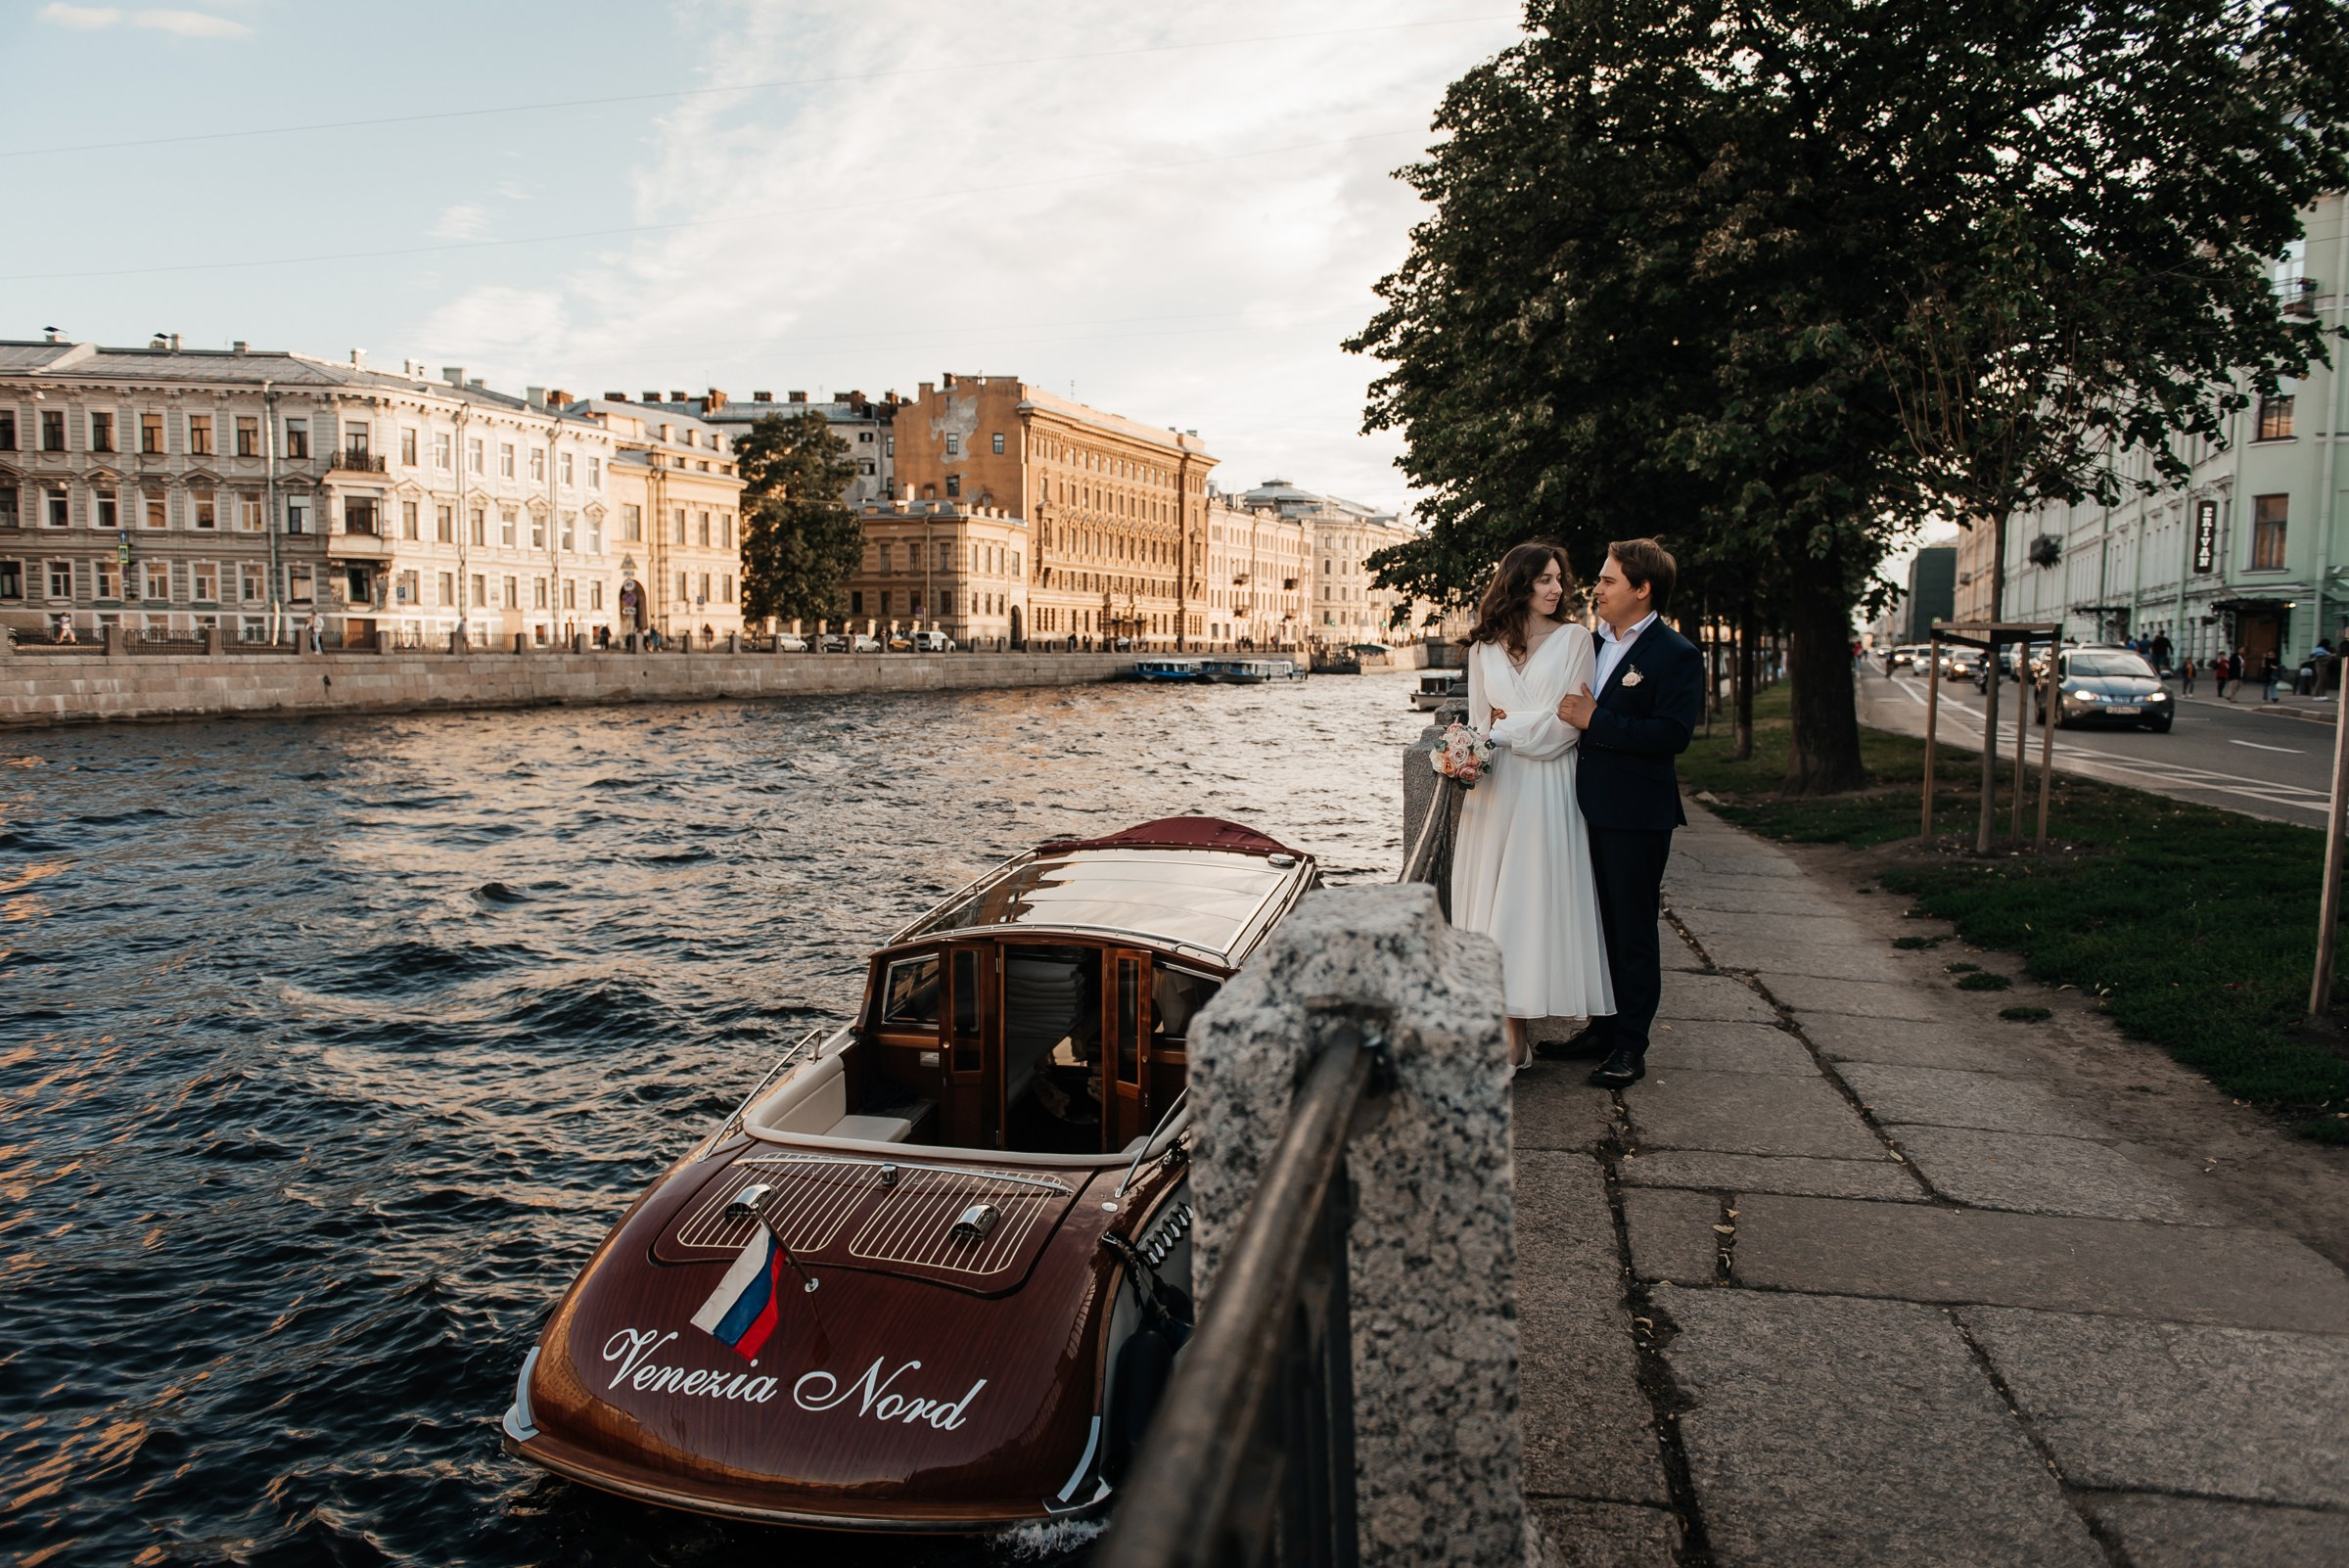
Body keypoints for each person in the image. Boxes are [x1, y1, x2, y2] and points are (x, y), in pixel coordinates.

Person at [1540, 538, 1705, 1089]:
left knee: (1632, 930)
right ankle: (1602, 1027)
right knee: (1595, 923)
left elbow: (1673, 735)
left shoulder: (1675, 653)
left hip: (1636, 814)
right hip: (1580, 806)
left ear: (1642, 588)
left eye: (1609, 581)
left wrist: (1597, 720)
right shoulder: (1588, 643)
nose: (1597, 589)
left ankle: (1631, 1045)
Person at [1450, 542, 1613, 1070]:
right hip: (1497, 789)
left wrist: (1506, 728)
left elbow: (1566, 728)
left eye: (1559, 579)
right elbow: (1479, 726)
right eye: (1545, 579)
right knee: (1493, 909)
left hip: (1547, 786)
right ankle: (1505, 1033)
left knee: (1528, 903)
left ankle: (1515, 1035)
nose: (1557, 588)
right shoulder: (1483, 648)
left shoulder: (1576, 640)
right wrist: (1492, 735)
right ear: (1518, 583)